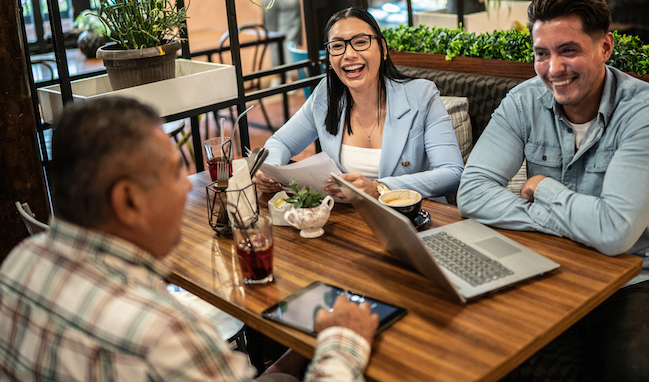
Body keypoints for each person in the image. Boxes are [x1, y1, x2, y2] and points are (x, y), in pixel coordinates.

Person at [0, 96, 379, 382]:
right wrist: (344, 342)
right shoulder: (162, 335)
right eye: (172, 172)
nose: (186, 186)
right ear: (128, 200)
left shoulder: (19, 263)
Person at [457, 0, 649, 381]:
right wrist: (556, 219)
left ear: (606, 47)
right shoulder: (523, 101)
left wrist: (543, 189)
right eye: (541, 53)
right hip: (546, 261)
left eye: (568, 50)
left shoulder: (648, 115)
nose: (553, 68)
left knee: (627, 367)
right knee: (467, 338)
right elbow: (472, 191)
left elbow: (615, 233)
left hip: (639, 276)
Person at [254, 7, 464, 200]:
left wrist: (379, 187)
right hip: (349, 220)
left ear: (382, 48)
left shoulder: (421, 95)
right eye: (337, 46)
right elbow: (281, 142)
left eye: (361, 42)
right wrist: (269, 169)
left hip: (415, 217)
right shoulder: (325, 96)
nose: (349, 55)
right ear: (329, 57)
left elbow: (452, 173)